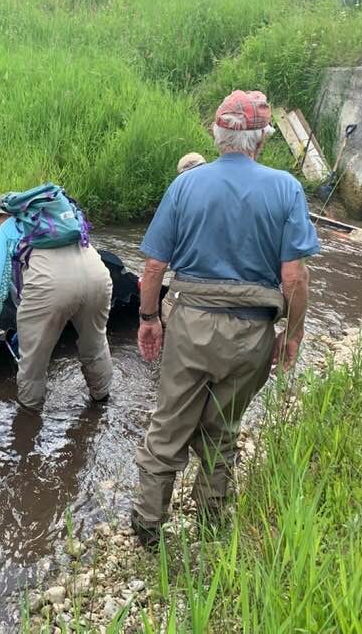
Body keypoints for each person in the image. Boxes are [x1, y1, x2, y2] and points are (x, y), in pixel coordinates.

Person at [130, 91, 318, 547]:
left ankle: (149, 524)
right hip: (253, 331)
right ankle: (211, 523)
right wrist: (292, 334)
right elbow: (294, 276)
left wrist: (149, 318)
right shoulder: (286, 188)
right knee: (223, 429)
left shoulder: (186, 185)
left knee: (169, 422)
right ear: (261, 140)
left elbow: (153, 268)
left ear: (218, 136)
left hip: (192, 323)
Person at [0, 189, 113, 412]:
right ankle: (102, 401)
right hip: (98, 277)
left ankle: (29, 417)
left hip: (52, 285)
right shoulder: (59, 218)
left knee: (33, 361)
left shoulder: (6, 229)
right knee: (94, 344)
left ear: (2, 215)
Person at [160, 153, 207, 323]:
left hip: (189, 285)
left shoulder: (180, 197)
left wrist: (148, 317)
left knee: (169, 307)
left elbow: (157, 262)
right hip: (233, 291)